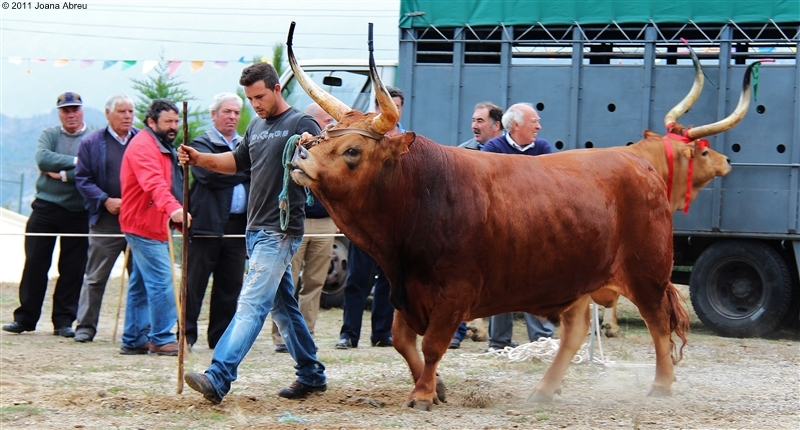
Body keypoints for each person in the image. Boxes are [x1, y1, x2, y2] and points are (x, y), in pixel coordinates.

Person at [178, 62, 327, 404]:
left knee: (250, 304)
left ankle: (219, 376)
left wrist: (310, 147)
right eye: (249, 99)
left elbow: (319, 159)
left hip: (281, 229)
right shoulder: (257, 125)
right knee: (283, 307)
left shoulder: (300, 123)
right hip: (254, 230)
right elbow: (235, 162)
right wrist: (199, 158)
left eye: (260, 96)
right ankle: (311, 374)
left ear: (277, 89)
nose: (255, 104)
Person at [2, 92, 90, 338]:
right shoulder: (49, 135)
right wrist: (76, 161)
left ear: (82, 111)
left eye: (74, 109)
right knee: (35, 263)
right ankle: (25, 318)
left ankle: (63, 321)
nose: (70, 114)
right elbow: (43, 159)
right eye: (65, 110)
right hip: (46, 207)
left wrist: (63, 174)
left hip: (78, 210)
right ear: (59, 113)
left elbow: (92, 169)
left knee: (72, 268)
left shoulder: (91, 139)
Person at [334, 88, 405, 350]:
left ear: (401, 110)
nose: (392, 111)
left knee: (389, 280)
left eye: (396, 106)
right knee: (356, 278)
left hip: (394, 224)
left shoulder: (408, 141)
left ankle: (382, 334)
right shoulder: (363, 139)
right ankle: (349, 334)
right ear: (377, 108)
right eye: (387, 106)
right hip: (365, 221)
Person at [481, 102, 555, 350]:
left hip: (535, 228)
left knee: (537, 279)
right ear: (515, 125)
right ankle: (499, 342)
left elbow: (551, 187)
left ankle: (542, 340)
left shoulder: (543, 148)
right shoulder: (493, 148)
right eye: (534, 121)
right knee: (500, 282)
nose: (539, 126)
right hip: (502, 228)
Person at [118, 99, 189, 357]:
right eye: (167, 121)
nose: (173, 126)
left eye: (175, 121)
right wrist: (173, 209)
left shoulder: (159, 144)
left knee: (140, 283)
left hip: (151, 221)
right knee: (163, 281)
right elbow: (154, 183)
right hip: (144, 224)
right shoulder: (143, 147)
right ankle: (161, 337)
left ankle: (134, 338)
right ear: (151, 122)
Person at [184, 93, 250, 350]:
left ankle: (220, 338)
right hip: (206, 224)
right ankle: (186, 335)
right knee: (194, 284)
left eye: (236, 112)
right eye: (226, 112)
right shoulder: (200, 144)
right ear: (214, 115)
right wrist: (242, 170)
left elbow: (257, 173)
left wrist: (236, 168)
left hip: (237, 226)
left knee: (230, 285)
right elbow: (209, 176)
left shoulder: (245, 144)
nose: (232, 117)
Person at [73, 93, 138, 343]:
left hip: (137, 220)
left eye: (131, 112)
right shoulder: (91, 142)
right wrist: (104, 200)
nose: (127, 116)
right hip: (106, 219)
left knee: (140, 277)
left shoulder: (142, 141)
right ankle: (86, 326)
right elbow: (82, 179)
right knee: (96, 276)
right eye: (122, 112)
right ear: (108, 113)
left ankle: (139, 330)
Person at [271, 102, 336, 353]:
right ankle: (281, 336)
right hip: (297, 220)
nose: (330, 123)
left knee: (315, 282)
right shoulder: (294, 145)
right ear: (313, 120)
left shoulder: (332, 150)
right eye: (326, 118)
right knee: (288, 280)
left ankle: (307, 334)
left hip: (325, 222)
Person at [450, 101, 505, 349]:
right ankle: (455, 332)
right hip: (468, 230)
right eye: (473, 120)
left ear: (497, 126)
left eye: (480, 121)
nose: (474, 125)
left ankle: (499, 337)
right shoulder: (464, 151)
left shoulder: (505, 152)